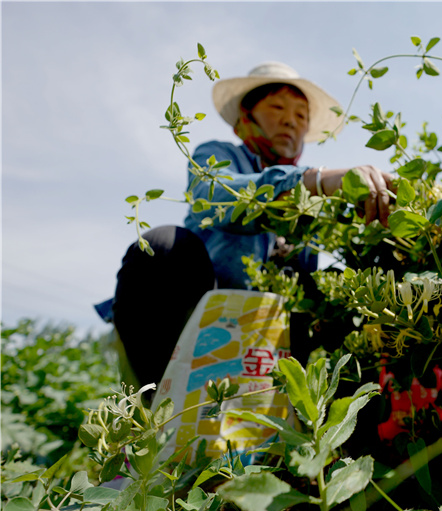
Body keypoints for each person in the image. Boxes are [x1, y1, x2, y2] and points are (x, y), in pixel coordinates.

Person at [96, 61, 394, 391]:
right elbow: (216, 197)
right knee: (164, 246)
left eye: (300, 116)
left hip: (265, 342)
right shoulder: (218, 156)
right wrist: (313, 181)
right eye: (277, 108)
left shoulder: (320, 196)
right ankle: (153, 403)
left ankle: (306, 411)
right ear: (245, 120)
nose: (289, 121)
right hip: (194, 321)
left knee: (345, 288)